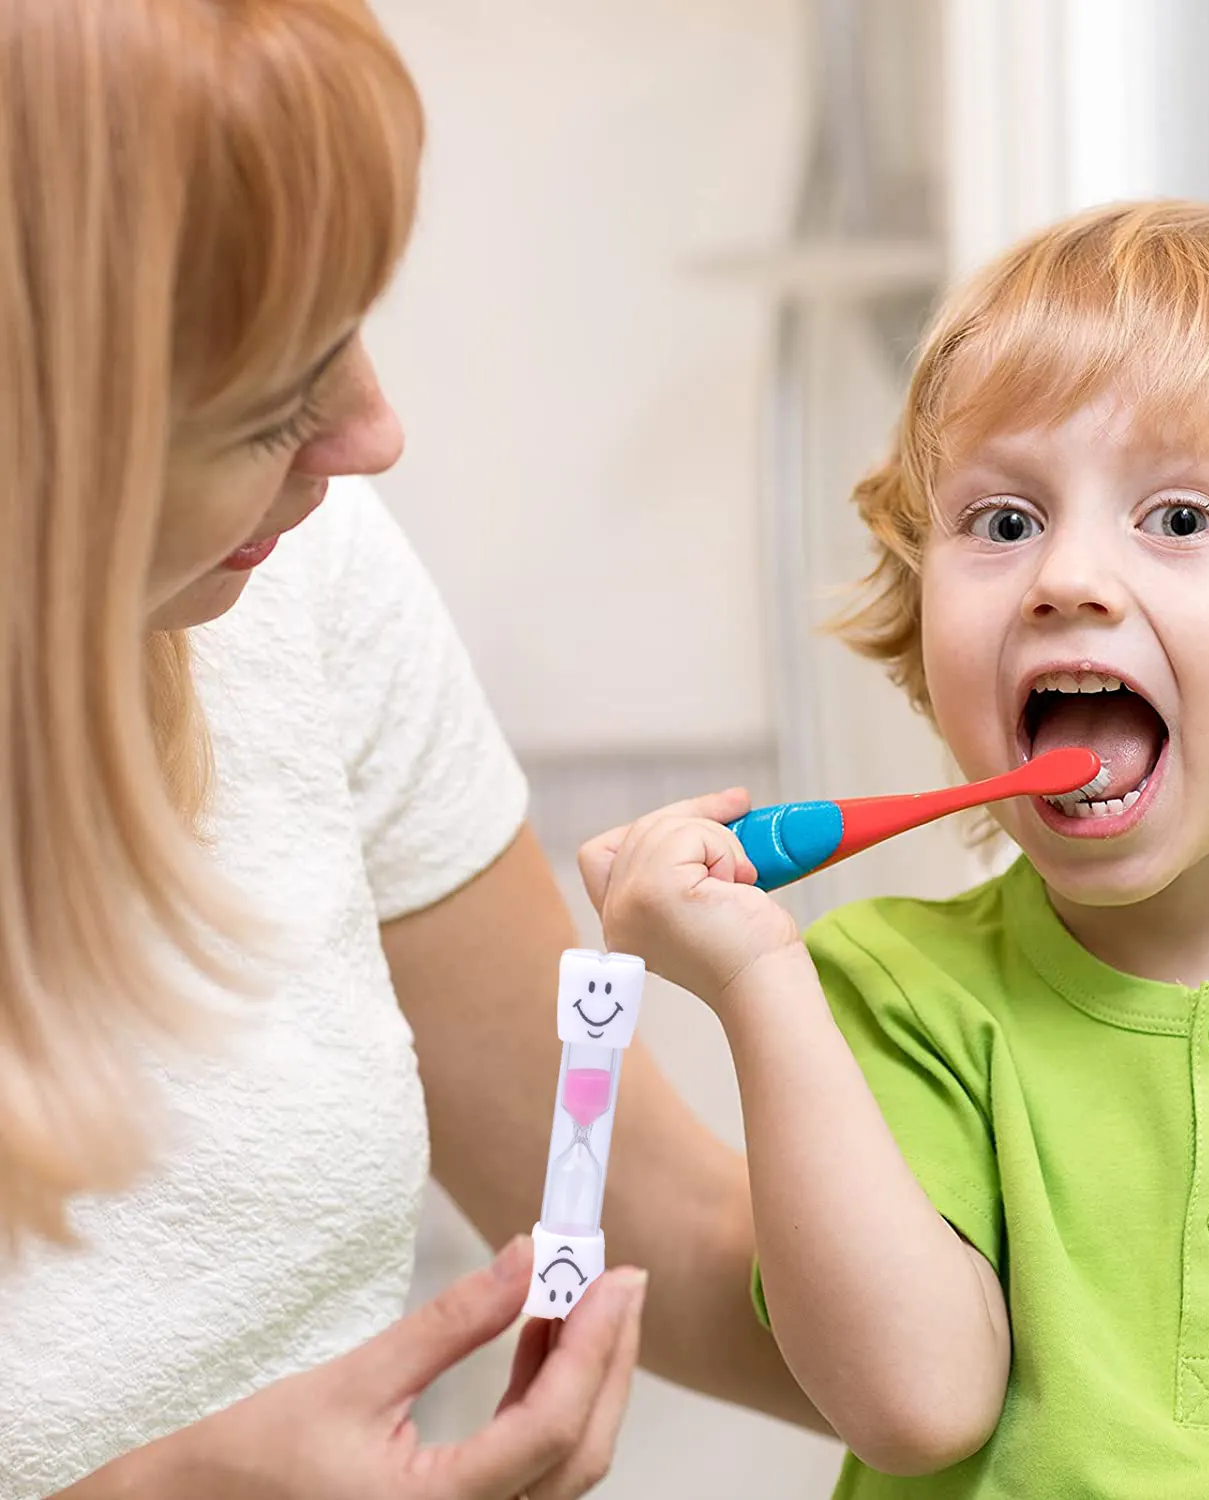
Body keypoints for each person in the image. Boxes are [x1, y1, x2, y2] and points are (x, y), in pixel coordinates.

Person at [0, 2, 815, 1496]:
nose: (374, 432)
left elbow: (663, 1227)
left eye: (349, 324)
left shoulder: (292, 574)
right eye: (265, 398)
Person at [582, 200, 1209, 1497]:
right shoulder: (898, 994)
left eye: (1177, 519)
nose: (1067, 576)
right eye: (1004, 523)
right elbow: (916, 1405)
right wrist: (754, 982)